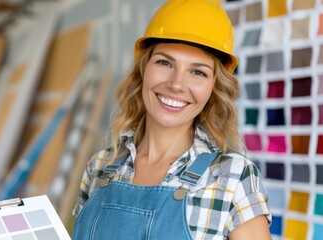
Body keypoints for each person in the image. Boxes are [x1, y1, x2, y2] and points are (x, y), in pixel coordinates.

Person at [72, 0, 272, 239]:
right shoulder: (100, 167)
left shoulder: (231, 176)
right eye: (164, 63)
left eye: (198, 72)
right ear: (143, 69)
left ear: (214, 87)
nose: (176, 84)